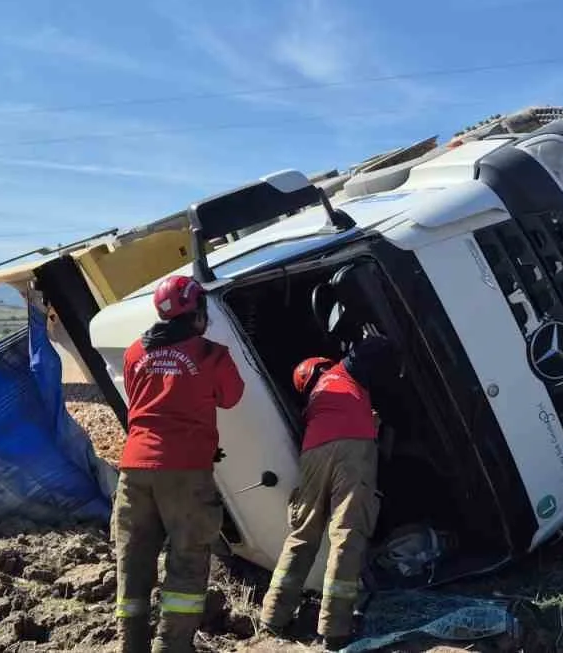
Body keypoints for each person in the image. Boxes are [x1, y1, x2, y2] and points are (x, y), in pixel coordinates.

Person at [113, 274, 245, 653]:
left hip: (134, 468)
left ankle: (131, 644)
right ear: (198, 311)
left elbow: (137, 401)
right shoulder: (211, 354)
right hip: (184, 470)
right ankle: (171, 647)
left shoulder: (134, 352)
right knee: (187, 559)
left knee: (133, 559)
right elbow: (232, 397)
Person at [260, 335, 397, 650]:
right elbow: (371, 350)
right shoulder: (341, 373)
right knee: (346, 535)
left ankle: (273, 615)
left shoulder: (313, 404)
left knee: (302, 535)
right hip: (353, 448)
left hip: (313, 453)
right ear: (321, 366)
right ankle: (335, 630)